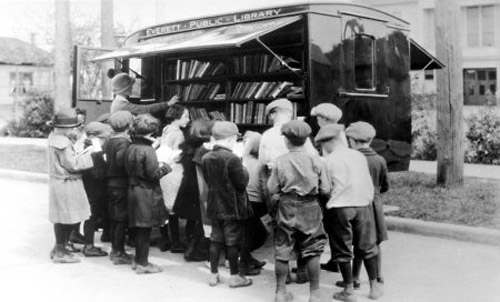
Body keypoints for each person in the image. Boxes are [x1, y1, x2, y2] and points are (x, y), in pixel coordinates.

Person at [315, 124, 383, 301]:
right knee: (367, 246)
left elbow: (325, 189)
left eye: (323, 144)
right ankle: (374, 287)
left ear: (329, 143)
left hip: (340, 208)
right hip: (363, 204)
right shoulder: (358, 156)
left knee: (342, 249)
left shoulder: (328, 161)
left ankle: (349, 290)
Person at [267, 120, 331, 302]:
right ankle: (315, 294)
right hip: (310, 207)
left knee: (282, 248)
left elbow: (272, 188)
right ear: (306, 140)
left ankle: (280, 292)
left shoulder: (280, 161)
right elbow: (325, 189)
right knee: (312, 248)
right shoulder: (317, 160)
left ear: (286, 141)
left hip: (287, 205)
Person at [259, 98, 316, 283]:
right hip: (300, 183)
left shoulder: (267, 135)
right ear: (289, 113)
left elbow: (261, 161)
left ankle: (285, 277)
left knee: (281, 228)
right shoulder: (299, 131)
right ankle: (302, 269)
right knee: (303, 228)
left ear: (272, 114)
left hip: (276, 182)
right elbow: (313, 157)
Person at [201, 121, 253, 288]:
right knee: (232, 241)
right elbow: (242, 183)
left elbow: (209, 181)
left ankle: (214, 275)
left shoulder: (206, 157)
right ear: (231, 139)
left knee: (215, 240)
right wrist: (243, 164)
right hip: (232, 207)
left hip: (214, 204)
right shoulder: (233, 158)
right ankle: (235, 277)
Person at [125, 114, 172, 274]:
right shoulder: (148, 150)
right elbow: (154, 174)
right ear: (151, 132)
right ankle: (143, 264)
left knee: (139, 229)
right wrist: (167, 165)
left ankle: (138, 260)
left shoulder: (131, 147)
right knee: (145, 229)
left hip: (132, 190)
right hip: (146, 192)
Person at [47, 108, 94, 263]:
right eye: (72, 127)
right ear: (64, 128)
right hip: (67, 183)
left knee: (62, 217)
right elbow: (72, 164)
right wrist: (89, 155)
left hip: (60, 182)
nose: (74, 129)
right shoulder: (62, 143)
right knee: (67, 218)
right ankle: (60, 252)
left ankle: (58, 247)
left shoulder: (55, 137)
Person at [345, 121, 389, 287]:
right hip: (375, 204)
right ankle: (379, 274)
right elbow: (385, 185)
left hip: (358, 202)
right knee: (374, 241)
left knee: (358, 241)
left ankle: (355, 277)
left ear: (354, 141)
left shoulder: (352, 159)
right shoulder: (379, 160)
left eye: (349, 141)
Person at [310, 102, 345, 273]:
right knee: (334, 225)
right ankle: (336, 259)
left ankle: (337, 259)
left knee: (332, 224)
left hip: (332, 185)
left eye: (317, 117)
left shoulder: (328, 135)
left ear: (324, 119)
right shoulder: (339, 132)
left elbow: (328, 162)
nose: (316, 121)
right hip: (339, 183)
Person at [158, 105, 190, 253]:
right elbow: (177, 155)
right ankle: (176, 242)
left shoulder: (166, 129)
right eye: (185, 116)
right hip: (174, 170)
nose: (188, 120)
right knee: (173, 209)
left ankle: (165, 240)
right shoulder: (178, 134)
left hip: (163, 169)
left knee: (165, 207)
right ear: (177, 117)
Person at [106, 110, 135, 265]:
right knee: (121, 219)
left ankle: (115, 249)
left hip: (110, 183)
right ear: (128, 125)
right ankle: (119, 252)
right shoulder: (124, 141)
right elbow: (121, 161)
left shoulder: (110, 140)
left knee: (114, 218)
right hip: (121, 184)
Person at [80, 121, 112, 257]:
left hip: (89, 187)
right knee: (91, 216)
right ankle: (89, 246)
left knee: (90, 216)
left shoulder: (87, 147)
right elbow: (98, 172)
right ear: (97, 138)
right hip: (95, 189)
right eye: (104, 139)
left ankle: (89, 244)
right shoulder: (94, 151)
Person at [239, 131, 268, 276]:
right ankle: (244, 263)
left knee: (247, 233)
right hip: (256, 202)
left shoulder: (242, 161)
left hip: (243, 201)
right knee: (257, 234)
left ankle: (247, 258)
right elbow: (264, 186)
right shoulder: (260, 164)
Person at [110, 72, 180, 114]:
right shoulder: (123, 105)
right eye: (130, 86)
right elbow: (146, 109)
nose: (132, 88)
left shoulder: (118, 102)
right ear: (124, 89)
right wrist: (168, 103)